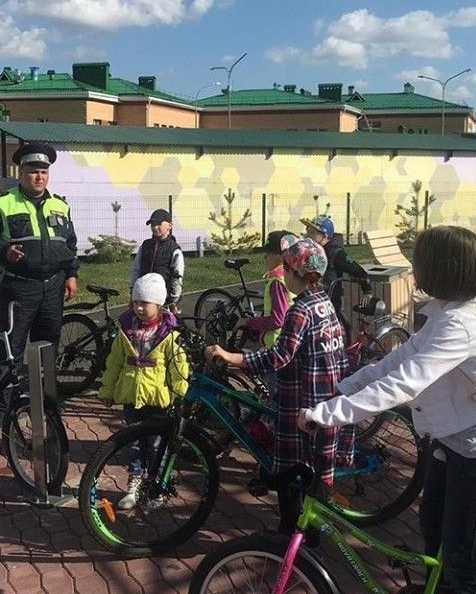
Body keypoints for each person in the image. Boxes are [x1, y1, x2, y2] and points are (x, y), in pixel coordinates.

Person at [298, 226, 476, 594]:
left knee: (462, 563)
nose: (412, 267)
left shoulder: (460, 325)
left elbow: (404, 382)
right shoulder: (450, 311)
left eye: (417, 261)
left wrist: (328, 414)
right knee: (432, 530)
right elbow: (401, 357)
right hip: (453, 437)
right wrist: (344, 387)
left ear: (440, 269)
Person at [206, 237, 354, 538]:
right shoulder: (324, 303)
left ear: (297, 272)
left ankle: (294, 538)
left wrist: (234, 357)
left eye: (285, 267)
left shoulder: (301, 310)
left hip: (302, 403)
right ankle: (309, 533)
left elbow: (280, 355)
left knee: (292, 473)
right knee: (313, 475)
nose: (281, 272)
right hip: (326, 399)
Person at [0, 142, 79, 432]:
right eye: (33, 171)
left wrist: (71, 274)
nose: (39, 177)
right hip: (18, 290)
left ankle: (46, 402)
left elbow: (69, 244)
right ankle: (1, 408)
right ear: (21, 173)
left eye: (44, 171)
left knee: (48, 348)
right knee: (11, 349)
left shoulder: (61, 204)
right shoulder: (3, 203)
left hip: (53, 287)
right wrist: (4, 251)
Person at [98, 273, 189, 510]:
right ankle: (134, 486)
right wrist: (107, 390)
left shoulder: (169, 335)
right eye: (135, 302)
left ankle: (157, 486)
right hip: (132, 399)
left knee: (157, 446)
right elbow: (115, 361)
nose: (138, 308)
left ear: (158, 304)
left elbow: (178, 366)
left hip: (158, 401)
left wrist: (181, 393)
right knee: (136, 444)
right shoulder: (126, 330)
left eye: (144, 303)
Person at [300, 215, 372, 341]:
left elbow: (358, 270)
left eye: (312, 232)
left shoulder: (336, 253)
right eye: (307, 231)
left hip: (331, 303)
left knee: (337, 333)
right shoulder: (312, 251)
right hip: (314, 301)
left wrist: (367, 290)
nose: (307, 235)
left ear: (325, 237)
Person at [130, 209, 184, 312]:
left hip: (163, 299)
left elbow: (177, 275)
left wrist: (174, 299)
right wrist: (133, 291)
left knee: (164, 326)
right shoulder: (145, 245)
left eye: (159, 224)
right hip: (143, 295)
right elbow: (136, 269)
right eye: (152, 224)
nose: (155, 227)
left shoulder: (174, 249)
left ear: (170, 225)